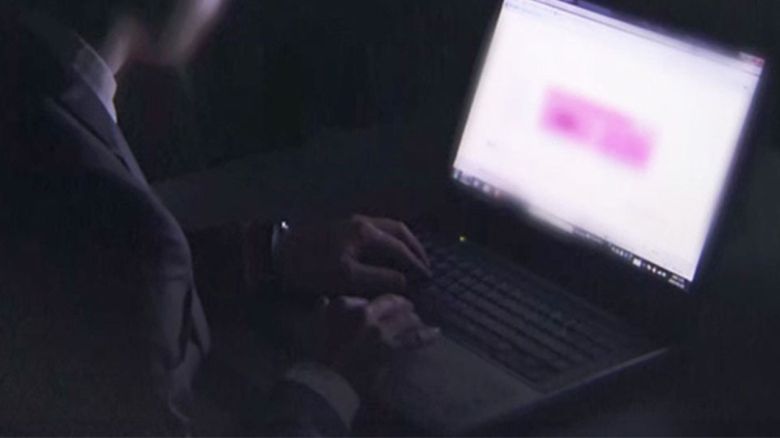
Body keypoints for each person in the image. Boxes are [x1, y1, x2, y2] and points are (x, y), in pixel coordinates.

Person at [0, 0, 439, 435]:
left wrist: (266, 254)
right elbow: (122, 253)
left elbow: (78, 260)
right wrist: (327, 385)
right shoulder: (132, 232)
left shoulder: (27, 87)